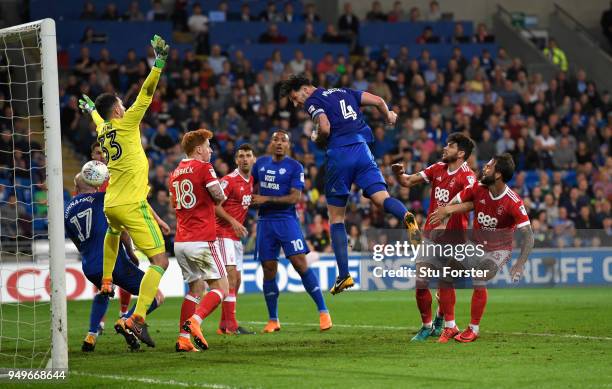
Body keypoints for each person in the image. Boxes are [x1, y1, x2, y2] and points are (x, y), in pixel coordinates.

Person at [280, 75, 420, 295]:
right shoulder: (345, 91)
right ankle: (406, 216)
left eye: (294, 97)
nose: (296, 103)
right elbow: (378, 100)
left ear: (305, 89)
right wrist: (389, 116)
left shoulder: (312, 101)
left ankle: (344, 275)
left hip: (340, 153)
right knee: (381, 198)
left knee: (336, 217)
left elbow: (324, 127)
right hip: (363, 149)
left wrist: (317, 138)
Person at [81, 35, 170, 347]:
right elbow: (146, 93)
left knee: (113, 235)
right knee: (160, 261)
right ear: (118, 109)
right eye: (120, 103)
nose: (124, 104)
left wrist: (92, 108)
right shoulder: (127, 122)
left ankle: (107, 280)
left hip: (112, 202)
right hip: (132, 202)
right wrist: (158, 65)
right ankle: (137, 317)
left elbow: (96, 117)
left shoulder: (102, 130)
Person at [430, 153, 534, 342]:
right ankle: (450, 327)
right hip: (475, 245)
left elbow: (528, 236)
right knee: (445, 276)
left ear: (498, 175)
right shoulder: (478, 188)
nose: (483, 168)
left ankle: (473, 329)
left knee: (479, 276)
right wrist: (445, 216)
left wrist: (520, 264)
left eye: (489, 167)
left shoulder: (513, 202)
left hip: (498, 251)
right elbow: (458, 201)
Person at [392, 133, 477, 342]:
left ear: (461, 153)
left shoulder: (468, 176)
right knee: (421, 281)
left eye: (450, 146)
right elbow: (407, 182)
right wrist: (398, 175)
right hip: (430, 233)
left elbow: (473, 202)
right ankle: (427, 326)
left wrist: (448, 210)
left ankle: (447, 323)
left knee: (445, 281)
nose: (445, 148)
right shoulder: (437, 168)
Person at [65, 173, 164, 352]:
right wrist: (130, 252)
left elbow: (76, 241)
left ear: (76, 189)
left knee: (104, 293)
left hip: (89, 266)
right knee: (155, 295)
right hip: (113, 262)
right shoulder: (103, 198)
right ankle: (126, 320)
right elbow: (120, 229)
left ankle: (91, 335)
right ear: (95, 185)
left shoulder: (67, 210)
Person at [251, 131, 332, 333]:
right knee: (269, 268)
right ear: (270, 143)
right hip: (265, 222)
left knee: (299, 263)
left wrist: (265, 199)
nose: (279, 143)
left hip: (287, 220)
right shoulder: (259, 164)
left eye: (283, 141)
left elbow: (295, 198)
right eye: (275, 140)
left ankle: (323, 312)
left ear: (288, 146)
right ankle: (273, 320)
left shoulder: (295, 167)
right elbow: (248, 190)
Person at [170, 129, 229, 352]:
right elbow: (218, 196)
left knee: (195, 289)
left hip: (181, 241)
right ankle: (195, 321)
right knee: (222, 287)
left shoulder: (175, 172)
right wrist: (219, 188)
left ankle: (183, 339)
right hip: (202, 238)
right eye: (207, 146)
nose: (211, 150)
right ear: (198, 149)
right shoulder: (204, 167)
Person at [215, 143, 257, 335]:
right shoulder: (229, 180)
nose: (245, 159)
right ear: (236, 160)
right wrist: (233, 221)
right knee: (231, 277)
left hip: (235, 236)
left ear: (254, 159)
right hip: (222, 233)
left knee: (237, 280)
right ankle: (232, 326)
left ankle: (224, 325)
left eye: (248, 155)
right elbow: (215, 206)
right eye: (241, 156)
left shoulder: (251, 180)